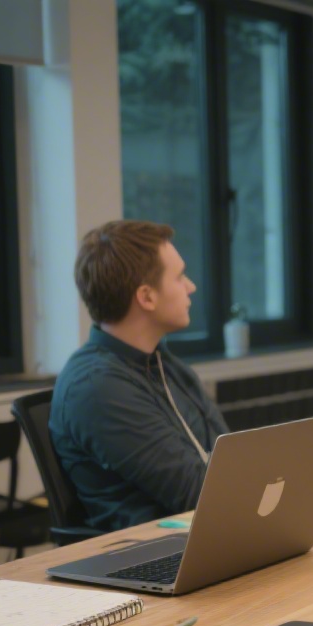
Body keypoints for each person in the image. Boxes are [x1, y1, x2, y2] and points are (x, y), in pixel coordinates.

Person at [50, 220, 229, 532]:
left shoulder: (162, 363)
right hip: (150, 555)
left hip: (205, 535)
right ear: (147, 297)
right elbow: (199, 493)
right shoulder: (97, 388)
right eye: (180, 277)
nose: (191, 287)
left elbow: (230, 458)